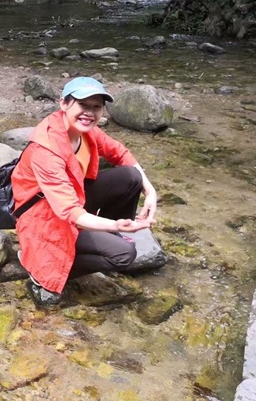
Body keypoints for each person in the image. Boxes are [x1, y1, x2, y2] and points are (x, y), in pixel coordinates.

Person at [12, 77, 158, 307]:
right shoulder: (47, 149)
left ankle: (98, 241)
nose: (89, 113)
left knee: (130, 177)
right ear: (64, 104)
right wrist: (116, 225)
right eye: (83, 105)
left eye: (96, 107)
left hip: (72, 200)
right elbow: (69, 211)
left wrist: (150, 192)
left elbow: (120, 153)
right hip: (45, 216)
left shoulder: (87, 131)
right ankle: (40, 264)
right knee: (124, 255)